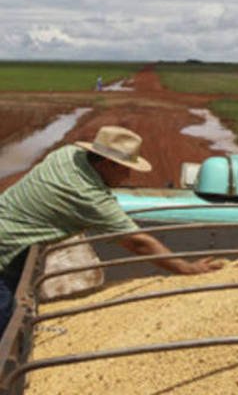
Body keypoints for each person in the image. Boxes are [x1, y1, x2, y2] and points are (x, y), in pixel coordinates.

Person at [0, 126, 223, 335]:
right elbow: (138, 242)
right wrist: (187, 268)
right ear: (107, 163)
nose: (128, 176)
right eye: (125, 169)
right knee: (6, 325)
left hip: (11, 242)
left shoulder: (66, 155)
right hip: (4, 253)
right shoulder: (88, 196)